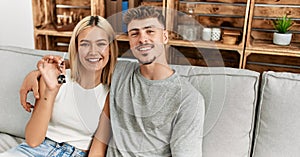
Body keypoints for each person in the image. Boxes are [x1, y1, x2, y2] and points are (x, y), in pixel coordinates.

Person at [19, 6, 205, 157]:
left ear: (165, 36)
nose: (142, 39)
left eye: (150, 31)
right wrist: (37, 73)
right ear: (130, 41)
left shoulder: (189, 100)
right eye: (135, 33)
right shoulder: (121, 73)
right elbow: (88, 61)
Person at [1, 15, 118, 157]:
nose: (93, 51)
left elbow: (98, 148)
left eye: (101, 44)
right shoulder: (54, 78)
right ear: (76, 48)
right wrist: (50, 91)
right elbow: (33, 140)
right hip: (37, 148)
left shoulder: (110, 93)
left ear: (110, 49)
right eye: (85, 44)